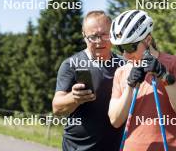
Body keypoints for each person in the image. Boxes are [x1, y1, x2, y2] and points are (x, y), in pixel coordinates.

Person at [108, 10, 176, 151]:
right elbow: (115, 121)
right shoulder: (121, 72)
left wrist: (165, 76)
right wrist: (129, 86)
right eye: (120, 48)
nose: (125, 54)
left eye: (130, 47)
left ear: (148, 40)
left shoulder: (173, 63)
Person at [52, 10, 123, 151]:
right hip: (77, 147)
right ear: (84, 37)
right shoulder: (71, 64)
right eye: (93, 36)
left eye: (104, 35)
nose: (99, 41)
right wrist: (74, 97)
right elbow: (56, 107)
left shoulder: (124, 64)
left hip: (116, 146)